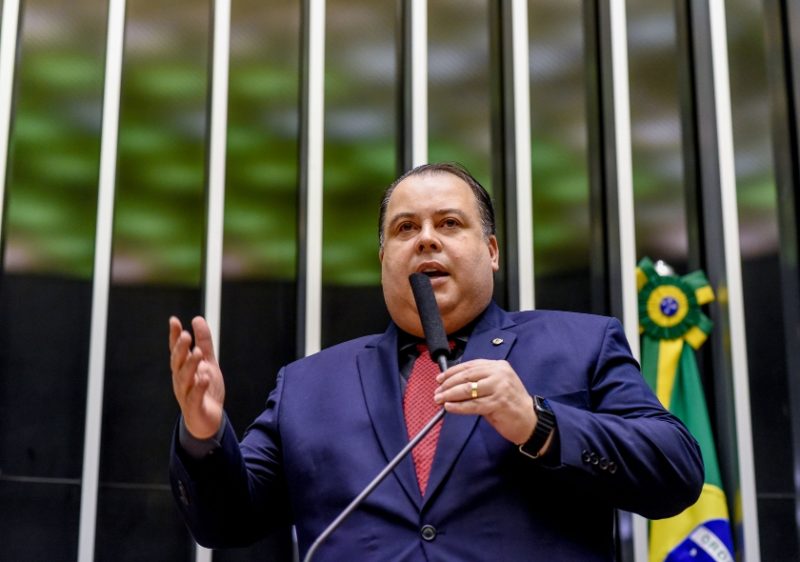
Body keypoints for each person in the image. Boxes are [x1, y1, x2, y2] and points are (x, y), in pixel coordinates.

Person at [169, 162, 703, 561]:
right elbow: (225, 523)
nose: (426, 239)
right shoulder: (308, 385)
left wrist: (539, 424)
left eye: (449, 223)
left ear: (491, 251)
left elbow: (675, 470)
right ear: (384, 259)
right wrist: (204, 435)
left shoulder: (581, 343)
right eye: (405, 228)